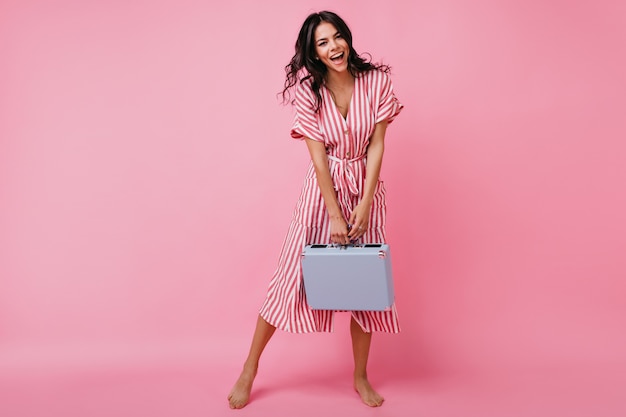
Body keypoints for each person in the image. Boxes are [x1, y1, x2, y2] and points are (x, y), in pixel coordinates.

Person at [227, 10, 403, 409]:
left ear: (347, 39)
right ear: (314, 52)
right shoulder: (310, 94)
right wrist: (336, 213)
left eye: (337, 37)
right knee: (288, 278)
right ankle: (250, 367)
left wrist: (365, 200)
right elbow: (319, 160)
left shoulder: (376, 82)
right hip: (321, 194)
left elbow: (377, 144)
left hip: (366, 190)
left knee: (367, 285)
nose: (334, 46)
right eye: (323, 42)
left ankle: (360, 376)